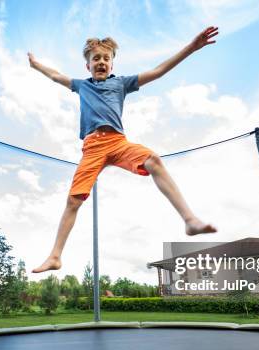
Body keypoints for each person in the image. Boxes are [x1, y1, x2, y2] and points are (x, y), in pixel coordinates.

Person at [29, 26, 220, 273]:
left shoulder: (121, 83)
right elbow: (56, 76)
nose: (101, 62)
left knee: (153, 160)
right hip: (93, 146)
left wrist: (191, 48)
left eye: (106, 59)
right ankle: (55, 256)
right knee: (73, 201)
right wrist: (36, 65)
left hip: (118, 142)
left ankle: (190, 220)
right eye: (95, 58)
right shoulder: (81, 86)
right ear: (88, 66)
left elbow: (158, 71)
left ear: (112, 64)